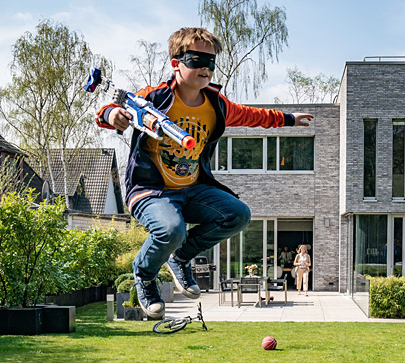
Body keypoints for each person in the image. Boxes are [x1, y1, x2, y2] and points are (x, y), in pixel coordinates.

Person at [94, 27, 313, 319]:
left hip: (192, 189)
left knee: (238, 214)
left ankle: (181, 258)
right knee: (172, 230)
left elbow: (252, 115)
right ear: (176, 64)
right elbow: (112, 107)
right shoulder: (156, 97)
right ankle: (145, 276)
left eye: (211, 62)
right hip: (152, 191)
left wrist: (287, 119)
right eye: (197, 60)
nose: (206, 69)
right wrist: (113, 116)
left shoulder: (216, 105)